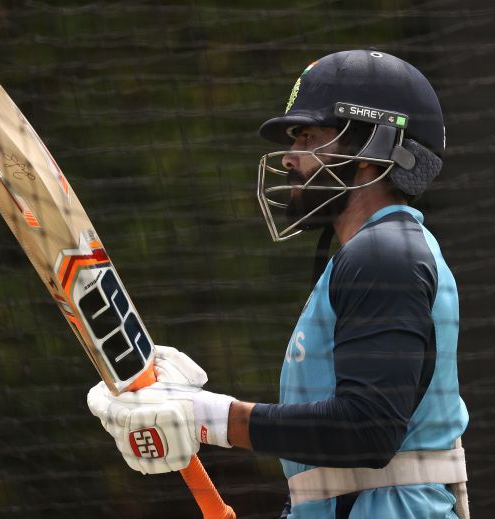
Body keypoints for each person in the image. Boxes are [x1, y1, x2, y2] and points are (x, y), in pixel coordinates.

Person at [87, 49, 470, 519]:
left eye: (309, 136)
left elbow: (368, 429)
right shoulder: (373, 253)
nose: (289, 158)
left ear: (374, 150)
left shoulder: (384, 255)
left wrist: (206, 416)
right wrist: (186, 404)